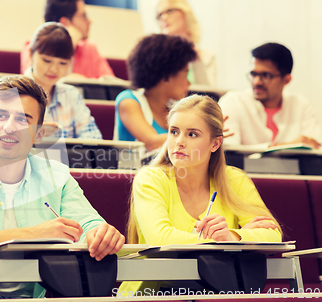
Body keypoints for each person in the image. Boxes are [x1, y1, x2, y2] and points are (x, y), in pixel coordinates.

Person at [0, 75, 124, 299]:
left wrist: (100, 234)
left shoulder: (57, 177)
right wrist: (34, 234)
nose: (9, 127)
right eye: (1, 115)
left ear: (38, 134)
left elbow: (88, 224)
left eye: (23, 119)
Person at [118, 95, 281, 295]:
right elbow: (160, 238)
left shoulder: (235, 179)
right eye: (174, 132)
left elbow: (272, 233)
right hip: (155, 292)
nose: (179, 142)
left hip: (216, 290)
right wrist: (219, 241)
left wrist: (232, 236)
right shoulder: (150, 178)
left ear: (215, 144)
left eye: (192, 134)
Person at [219, 43, 322, 149]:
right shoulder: (233, 101)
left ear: (286, 80)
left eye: (266, 75)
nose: (257, 82)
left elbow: (316, 147)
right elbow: (229, 152)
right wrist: (289, 146)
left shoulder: (301, 105)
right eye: (253, 74)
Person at [114, 34, 196, 151]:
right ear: (167, 76)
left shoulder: (177, 108)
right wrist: (200, 136)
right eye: (185, 74)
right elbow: (153, 142)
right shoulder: (128, 101)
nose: (188, 83)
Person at [25, 21, 102, 139]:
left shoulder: (71, 95)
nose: (54, 69)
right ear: (31, 54)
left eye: (63, 63)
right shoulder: (10, 92)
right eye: (47, 60)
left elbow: (93, 139)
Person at [20, 0, 114, 79]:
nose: (89, 21)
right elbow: (32, 81)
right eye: (83, 16)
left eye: (63, 62)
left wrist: (85, 83)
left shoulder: (90, 49)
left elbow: (112, 85)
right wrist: (68, 43)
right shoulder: (33, 45)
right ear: (64, 22)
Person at [156, 0, 216, 86]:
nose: (164, 17)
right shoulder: (156, 55)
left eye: (169, 11)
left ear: (185, 13)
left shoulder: (206, 57)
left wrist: (197, 62)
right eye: (159, 15)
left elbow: (209, 94)